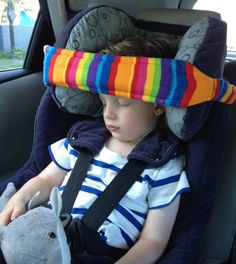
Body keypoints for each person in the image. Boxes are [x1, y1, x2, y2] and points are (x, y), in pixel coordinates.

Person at [0, 36, 189, 264]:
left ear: (158, 104)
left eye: (122, 103)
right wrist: (20, 199)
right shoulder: (82, 139)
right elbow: (46, 180)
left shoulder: (164, 165)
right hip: (42, 236)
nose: (108, 113)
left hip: (97, 253)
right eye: (104, 101)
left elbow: (154, 241)